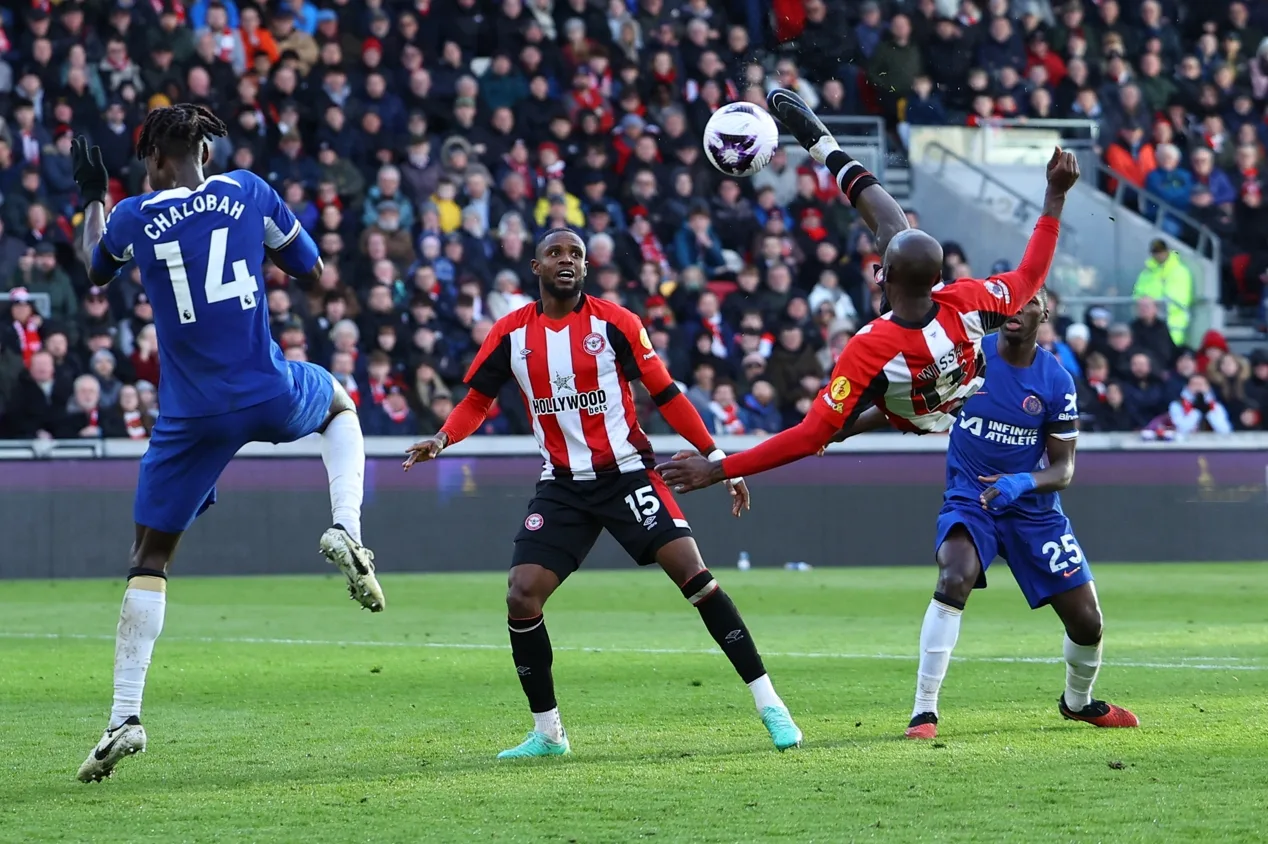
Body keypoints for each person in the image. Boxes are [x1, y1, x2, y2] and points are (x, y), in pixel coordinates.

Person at [71, 105, 384, 783]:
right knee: (337, 403)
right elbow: (312, 269)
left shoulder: (132, 215)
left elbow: (93, 270)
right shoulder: (248, 191)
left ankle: (126, 716)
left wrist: (93, 197)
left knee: (149, 558)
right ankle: (346, 526)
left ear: (154, 160)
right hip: (266, 388)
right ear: (205, 152)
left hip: (190, 416)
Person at [402, 228, 802, 759]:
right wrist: (442, 437)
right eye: (555, 254)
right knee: (522, 594)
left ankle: (771, 705)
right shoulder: (509, 334)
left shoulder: (617, 324)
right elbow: (478, 399)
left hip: (628, 475)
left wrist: (719, 459)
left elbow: (666, 393)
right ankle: (548, 733)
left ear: (586, 269)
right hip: (563, 486)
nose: (566, 260)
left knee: (696, 578)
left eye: (576, 255)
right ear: (536, 267)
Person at [658, 89, 1077, 495]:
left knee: (829, 427)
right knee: (895, 229)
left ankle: (827, 152)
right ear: (937, 279)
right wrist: (1055, 194)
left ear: (884, 277)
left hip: (913, 409)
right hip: (958, 378)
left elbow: (804, 438)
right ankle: (826, 150)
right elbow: (1031, 275)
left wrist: (717, 470)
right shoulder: (967, 301)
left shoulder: (870, 348)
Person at [836, 288, 1139, 738]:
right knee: (953, 575)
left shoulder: (1056, 381)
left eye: (1030, 303)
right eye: (1012, 302)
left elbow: (1064, 468)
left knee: (1088, 621)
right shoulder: (967, 359)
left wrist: (1022, 482)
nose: (1017, 309)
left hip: (1032, 510)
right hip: (971, 498)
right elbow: (905, 410)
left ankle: (1078, 703)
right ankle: (924, 712)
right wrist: (839, 431)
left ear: (1045, 313)